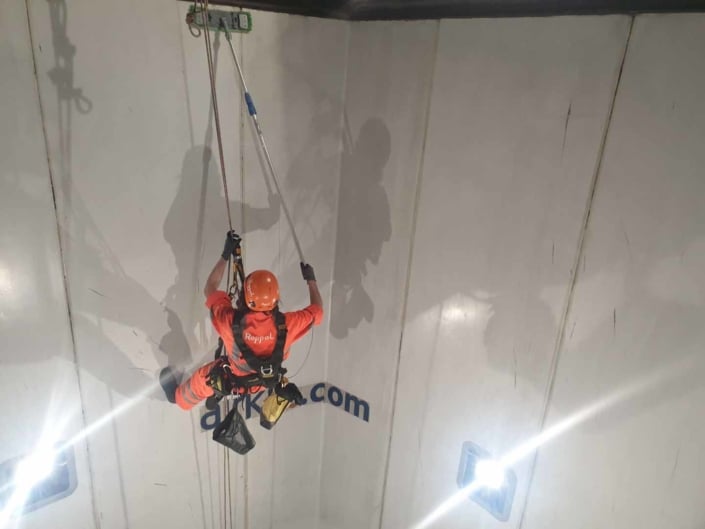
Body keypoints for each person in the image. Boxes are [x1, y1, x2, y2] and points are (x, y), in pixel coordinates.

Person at [170, 231, 323, 413]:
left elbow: (210, 287)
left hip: (233, 379)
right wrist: (311, 280)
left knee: (201, 380)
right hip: (263, 383)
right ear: (275, 299)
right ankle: (211, 393)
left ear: (244, 295)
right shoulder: (288, 325)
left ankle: (180, 399)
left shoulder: (228, 320)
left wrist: (225, 255)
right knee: (217, 375)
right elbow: (318, 310)